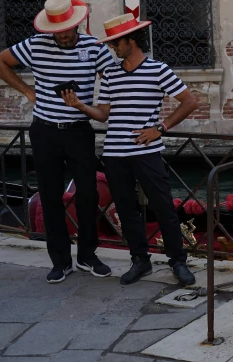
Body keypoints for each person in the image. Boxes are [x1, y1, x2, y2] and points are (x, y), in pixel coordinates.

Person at [62, 14, 198, 286]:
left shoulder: (158, 69)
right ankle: (140, 260)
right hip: (114, 153)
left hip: (146, 151)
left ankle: (177, 261)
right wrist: (79, 106)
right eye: (111, 43)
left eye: (116, 42)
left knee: (163, 206)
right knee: (126, 209)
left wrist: (160, 128)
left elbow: (189, 101)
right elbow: (103, 115)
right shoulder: (111, 73)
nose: (113, 47)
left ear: (131, 40)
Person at [0, 0, 115, 283]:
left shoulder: (93, 47)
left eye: (68, 28)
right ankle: (60, 261)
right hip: (45, 131)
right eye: (59, 30)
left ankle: (87, 255)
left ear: (77, 23)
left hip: (79, 130)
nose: (64, 34)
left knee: (88, 193)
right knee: (50, 195)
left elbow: (113, 77)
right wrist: (27, 91)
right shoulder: (35, 44)